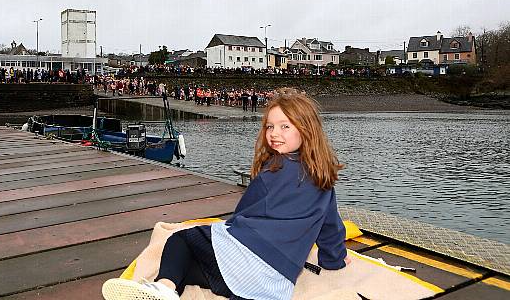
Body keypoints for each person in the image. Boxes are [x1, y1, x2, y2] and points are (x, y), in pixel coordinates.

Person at [102, 88, 349, 300]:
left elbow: (242, 216)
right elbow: (332, 230)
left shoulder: (275, 169)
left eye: (285, 126)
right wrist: (334, 261)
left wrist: (225, 234)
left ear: (306, 130)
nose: (274, 133)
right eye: (270, 127)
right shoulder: (323, 179)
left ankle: (164, 287)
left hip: (245, 259)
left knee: (182, 240)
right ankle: (169, 287)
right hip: (271, 283)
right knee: (191, 269)